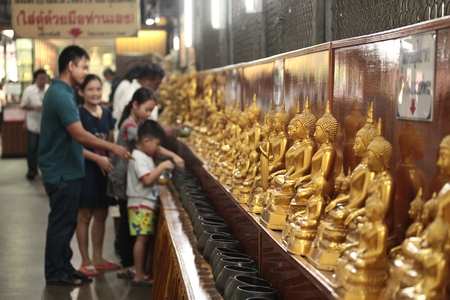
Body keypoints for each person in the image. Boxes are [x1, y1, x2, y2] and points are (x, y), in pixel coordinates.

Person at [38, 45, 129, 286]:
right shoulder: (59, 94)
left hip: (68, 169)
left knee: (66, 223)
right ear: (71, 66)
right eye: (84, 66)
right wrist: (113, 148)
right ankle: (56, 272)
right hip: (61, 172)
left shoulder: (65, 92)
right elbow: (79, 135)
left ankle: (64, 266)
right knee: (61, 224)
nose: (85, 71)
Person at [107, 87, 184, 280]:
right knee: (127, 227)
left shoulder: (138, 124)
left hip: (131, 182)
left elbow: (151, 145)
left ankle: (132, 266)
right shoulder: (131, 127)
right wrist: (171, 157)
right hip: (124, 179)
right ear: (135, 105)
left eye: (151, 110)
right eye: (147, 109)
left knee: (130, 226)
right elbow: (149, 146)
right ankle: (129, 267)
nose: (149, 114)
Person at [75, 74, 120, 277]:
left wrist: (111, 166)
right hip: (86, 169)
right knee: (85, 215)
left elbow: (110, 142)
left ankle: (98, 258)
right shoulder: (78, 114)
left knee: (102, 214)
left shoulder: (108, 114)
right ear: (81, 92)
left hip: (105, 170)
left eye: (98, 89)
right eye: (90, 89)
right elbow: (75, 146)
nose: (95, 93)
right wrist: (96, 158)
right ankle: (85, 261)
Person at [127, 119, 175, 286]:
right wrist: (161, 167)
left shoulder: (143, 155)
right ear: (146, 141)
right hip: (140, 205)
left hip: (144, 203)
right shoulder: (138, 157)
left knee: (144, 238)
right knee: (141, 239)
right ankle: (138, 274)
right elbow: (147, 180)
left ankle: (141, 271)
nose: (157, 147)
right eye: (156, 144)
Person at [20, 69, 49, 180]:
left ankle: (45, 170)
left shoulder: (49, 89)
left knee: (46, 149)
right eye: (40, 78)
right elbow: (23, 105)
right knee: (32, 148)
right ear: (35, 79)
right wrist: (34, 107)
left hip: (46, 125)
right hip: (33, 124)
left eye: (44, 78)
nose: (43, 80)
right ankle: (32, 170)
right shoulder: (29, 90)